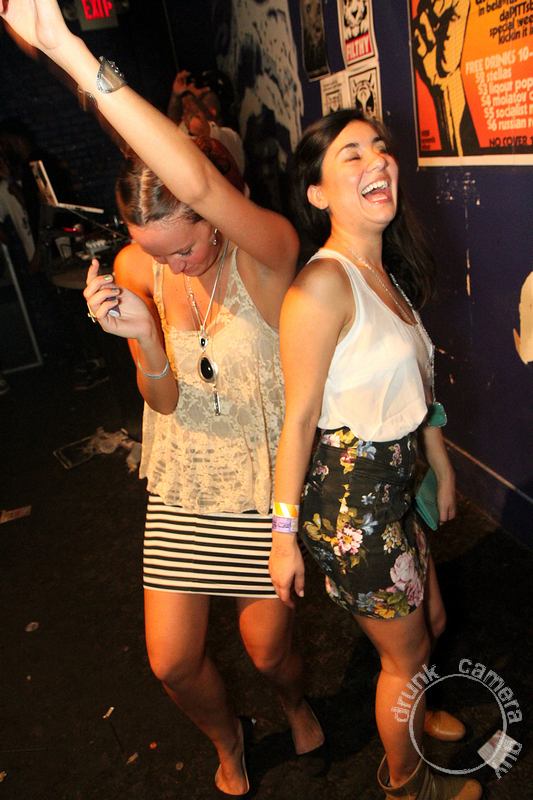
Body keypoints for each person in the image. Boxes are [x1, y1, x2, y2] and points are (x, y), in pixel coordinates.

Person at [0, 2, 325, 796]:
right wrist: (145, 339)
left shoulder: (267, 255)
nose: (171, 265)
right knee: (171, 663)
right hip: (182, 484)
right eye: (154, 252)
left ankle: (292, 701)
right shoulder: (141, 268)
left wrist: (70, 52)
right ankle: (227, 739)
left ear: (213, 215)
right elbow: (165, 404)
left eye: (183, 245)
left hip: (262, 488)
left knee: (269, 652)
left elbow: (198, 180)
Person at [268, 109, 482, 800]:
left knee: (432, 624)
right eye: (351, 155)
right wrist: (282, 538)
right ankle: (408, 784)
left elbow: (415, 388)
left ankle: (416, 711)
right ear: (318, 193)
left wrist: (439, 464)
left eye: (379, 149)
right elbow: (298, 421)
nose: (377, 161)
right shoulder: (321, 286)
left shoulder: (381, 271)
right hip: (349, 506)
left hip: (390, 489)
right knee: (404, 657)